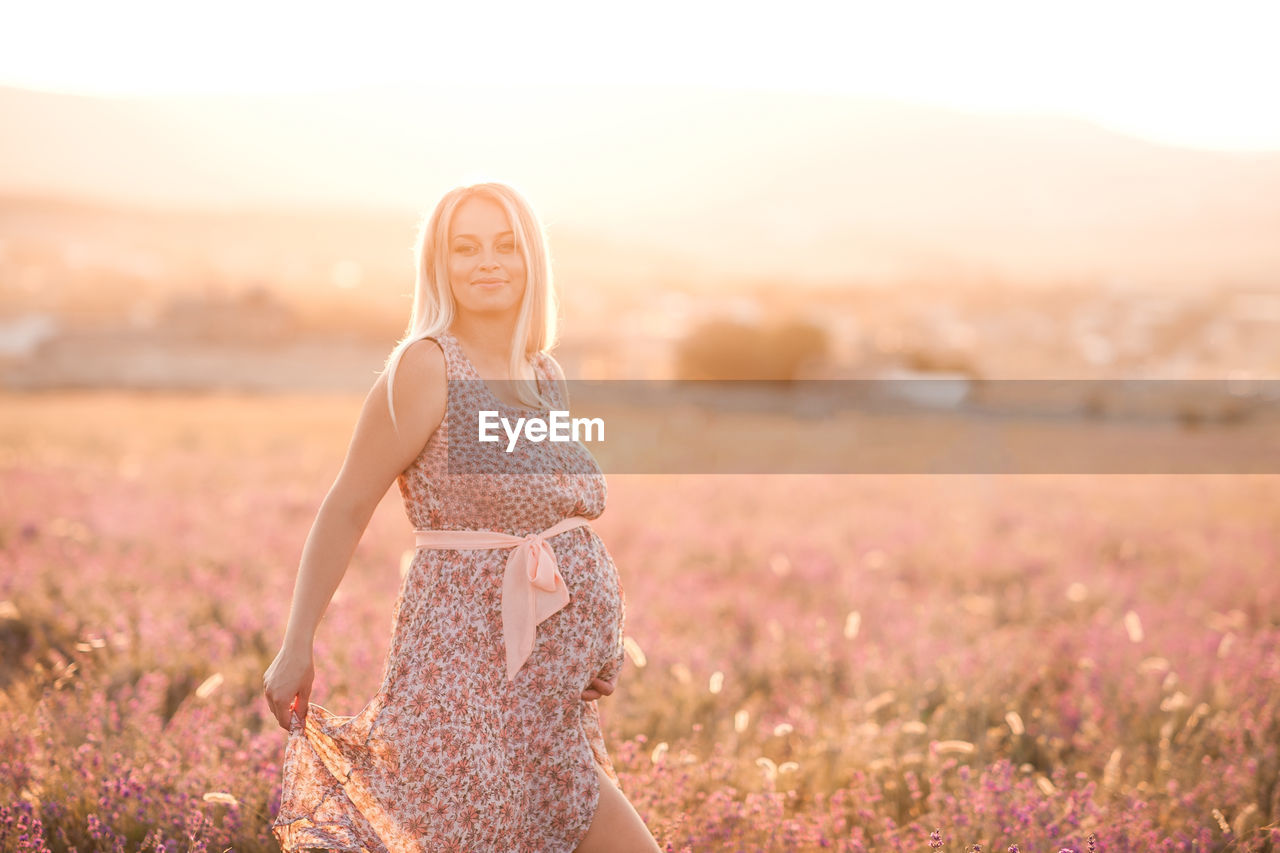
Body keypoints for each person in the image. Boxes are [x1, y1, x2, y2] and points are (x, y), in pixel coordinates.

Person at [261, 181, 661, 852]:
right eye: (465, 248)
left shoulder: (544, 373)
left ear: (533, 259)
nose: (488, 263)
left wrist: (594, 642)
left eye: (506, 246)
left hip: (547, 706)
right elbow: (347, 505)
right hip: (462, 688)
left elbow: (556, 520)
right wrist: (296, 641)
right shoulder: (426, 366)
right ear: (438, 265)